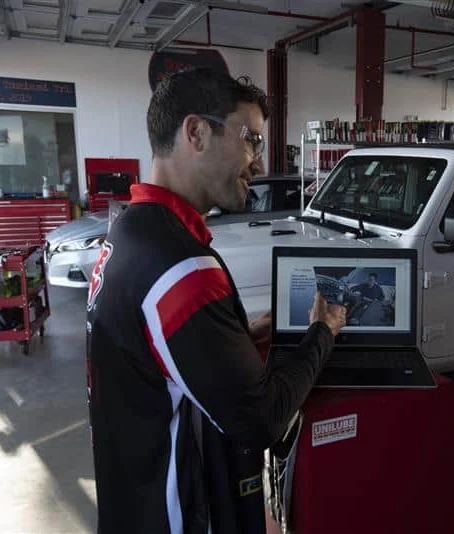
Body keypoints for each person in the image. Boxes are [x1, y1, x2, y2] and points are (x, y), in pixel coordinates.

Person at [85, 67, 346, 534]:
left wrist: (232, 339)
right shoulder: (180, 267)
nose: (259, 163)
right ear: (197, 132)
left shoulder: (129, 233)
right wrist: (321, 335)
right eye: (251, 139)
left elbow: (146, 360)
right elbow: (261, 419)